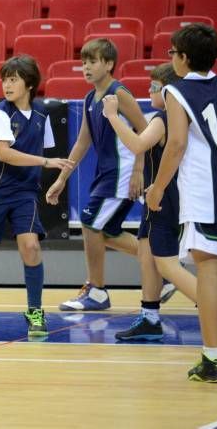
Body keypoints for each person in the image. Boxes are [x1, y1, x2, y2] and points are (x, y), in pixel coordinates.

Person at [146, 23, 217, 382]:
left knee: (208, 272)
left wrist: (158, 187)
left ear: (183, 57)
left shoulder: (176, 93)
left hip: (206, 193)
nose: (170, 58)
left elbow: (176, 144)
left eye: (171, 52)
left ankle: (211, 359)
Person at [0, 55, 74, 337]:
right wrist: (45, 163)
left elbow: (40, 151)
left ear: (29, 83)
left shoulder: (43, 115)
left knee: (30, 246)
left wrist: (54, 180)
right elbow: (4, 153)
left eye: (13, 79)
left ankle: (35, 310)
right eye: (5, 79)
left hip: (24, 192)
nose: (7, 84)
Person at [46, 38, 148, 311]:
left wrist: (139, 169)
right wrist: (62, 178)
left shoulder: (120, 93)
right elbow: (81, 143)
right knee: (106, 232)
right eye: (83, 62)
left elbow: (145, 130)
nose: (86, 67)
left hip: (123, 172)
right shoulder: (90, 98)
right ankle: (160, 265)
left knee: (90, 223)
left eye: (93, 61)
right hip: (107, 174)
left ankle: (97, 290)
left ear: (109, 64)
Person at [101, 63, 198, 341]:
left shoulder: (164, 117)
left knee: (166, 264)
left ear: (168, 90)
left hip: (163, 196)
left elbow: (137, 145)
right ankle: (150, 317)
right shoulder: (183, 118)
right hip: (164, 195)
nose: (149, 90)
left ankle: (213, 309)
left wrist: (112, 115)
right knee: (145, 253)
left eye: (153, 86)